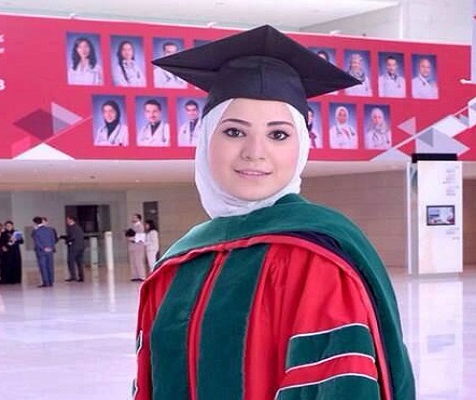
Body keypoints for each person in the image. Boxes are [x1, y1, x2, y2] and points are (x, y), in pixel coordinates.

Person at [139, 25, 415, 400]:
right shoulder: (177, 265)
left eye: (278, 135)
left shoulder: (317, 258)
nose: (255, 152)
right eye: (234, 132)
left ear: (301, 147)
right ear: (204, 139)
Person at [31, 216, 57, 288]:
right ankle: (51, 281)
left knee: (43, 267)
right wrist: (51, 248)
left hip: (41, 251)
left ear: (35, 223)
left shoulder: (36, 231)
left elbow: (37, 242)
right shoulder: (50, 230)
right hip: (50, 251)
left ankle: (46, 282)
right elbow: (53, 239)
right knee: (50, 266)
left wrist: (43, 248)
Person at [63, 215, 86, 282]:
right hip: (81, 247)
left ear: (71, 220)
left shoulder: (71, 228)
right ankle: (81, 277)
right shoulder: (79, 228)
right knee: (79, 263)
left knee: (70, 262)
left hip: (73, 247)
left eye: (67, 220)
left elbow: (71, 237)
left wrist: (67, 241)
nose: (67, 221)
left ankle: (73, 276)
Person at [127, 213, 146, 281]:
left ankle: (142, 276)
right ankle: (134, 276)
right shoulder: (132, 226)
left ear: (138, 218)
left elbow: (141, 237)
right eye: (133, 217)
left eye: (135, 217)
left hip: (138, 247)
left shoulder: (140, 226)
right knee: (133, 262)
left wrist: (131, 238)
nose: (133, 218)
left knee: (138, 262)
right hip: (132, 247)